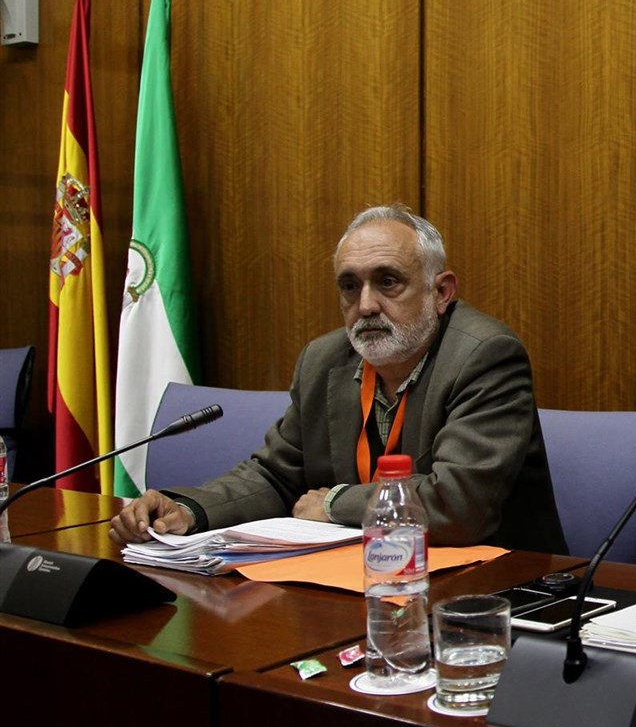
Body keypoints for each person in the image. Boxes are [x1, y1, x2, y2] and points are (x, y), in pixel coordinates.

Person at [110, 204, 566, 554]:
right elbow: (276, 475)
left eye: (388, 282)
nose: (365, 305)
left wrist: (334, 505)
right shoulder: (325, 359)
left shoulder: (484, 356)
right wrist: (190, 510)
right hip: (365, 575)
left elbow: (458, 507)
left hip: (489, 590)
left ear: (441, 292)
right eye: (350, 286)